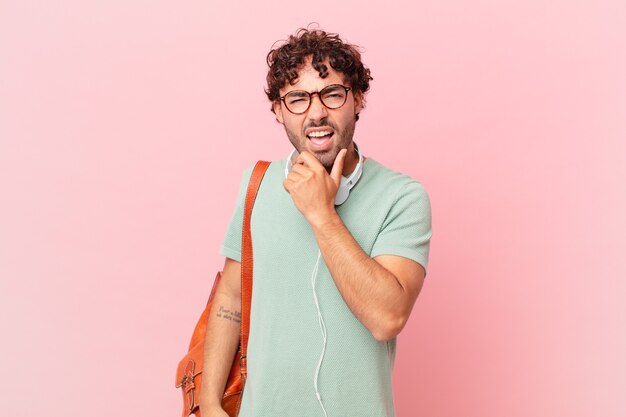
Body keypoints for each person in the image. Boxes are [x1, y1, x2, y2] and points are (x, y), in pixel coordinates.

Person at [199, 27, 432, 417]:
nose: (317, 112)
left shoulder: (402, 197)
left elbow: (387, 317)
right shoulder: (257, 184)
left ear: (357, 99)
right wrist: (209, 404)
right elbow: (231, 298)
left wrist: (321, 212)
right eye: (297, 98)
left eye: (332, 93)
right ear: (278, 110)